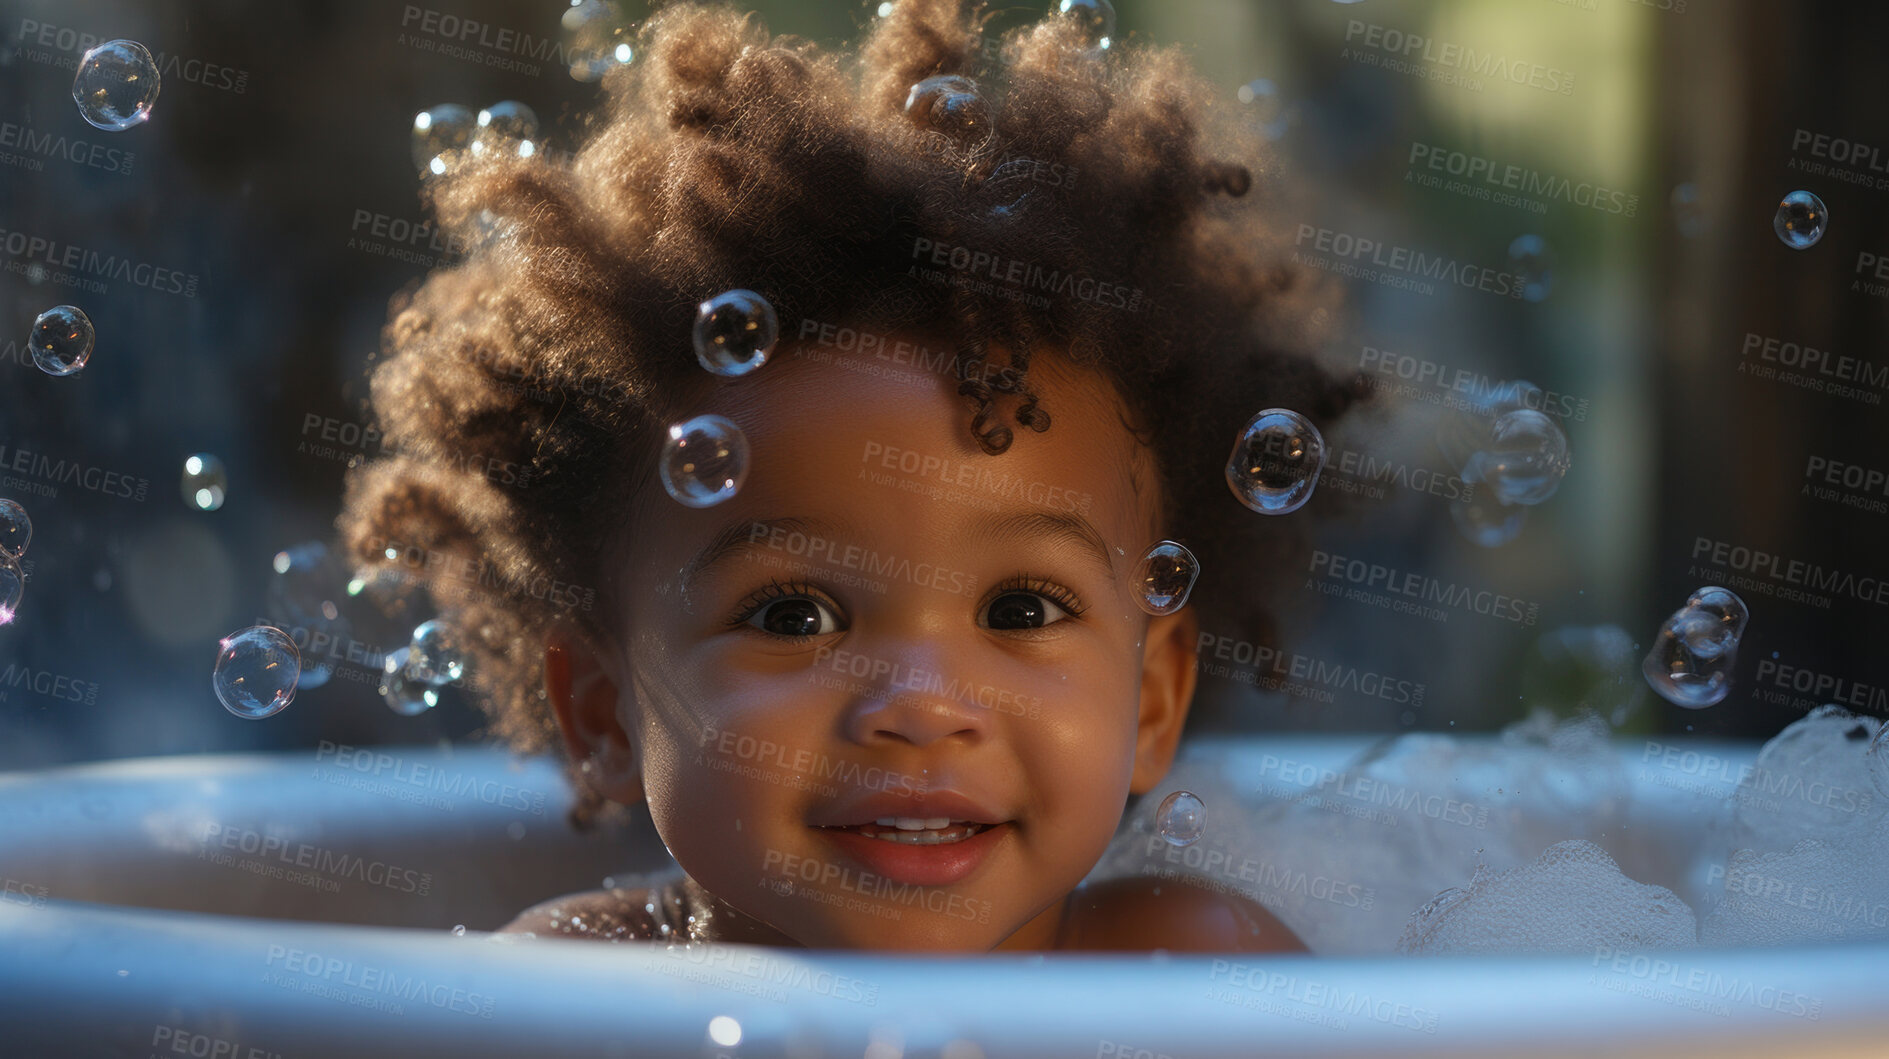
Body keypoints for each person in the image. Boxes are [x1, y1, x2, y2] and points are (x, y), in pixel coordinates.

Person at [340, 0, 1369, 953]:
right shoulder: (574, 994)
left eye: (1020, 607)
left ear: (1148, 702)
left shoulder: (1187, 971)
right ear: (606, 714)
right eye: (793, 616)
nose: (921, 705)